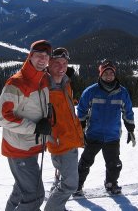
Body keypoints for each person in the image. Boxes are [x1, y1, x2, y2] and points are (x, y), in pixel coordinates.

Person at [0, 39, 53, 211]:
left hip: (33, 146)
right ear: (30, 56)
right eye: (38, 55)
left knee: (21, 188)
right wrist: (35, 127)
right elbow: (3, 117)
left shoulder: (44, 79)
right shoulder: (17, 83)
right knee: (35, 195)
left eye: (46, 56)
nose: (43, 59)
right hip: (19, 149)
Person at [74, 60, 136, 196]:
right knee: (85, 162)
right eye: (105, 73)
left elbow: (128, 111)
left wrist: (130, 128)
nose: (109, 76)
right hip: (93, 134)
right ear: (101, 74)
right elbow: (82, 110)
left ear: (115, 74)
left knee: (114, 164)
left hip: (112, 135)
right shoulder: (91, 91)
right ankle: (77, 185)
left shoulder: (122, 92)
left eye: (111, 73)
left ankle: (111, 183)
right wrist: (81, 128)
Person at [44, 48, 84, 211]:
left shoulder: (66, 83)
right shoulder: (44, 87)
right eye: (57, 64)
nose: (61, 67)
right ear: (48, 64)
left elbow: (68, 111)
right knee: (70, 185)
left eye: (65, 63)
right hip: (60, 143)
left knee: (63, 181)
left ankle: (57, 207)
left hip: (71, 139)